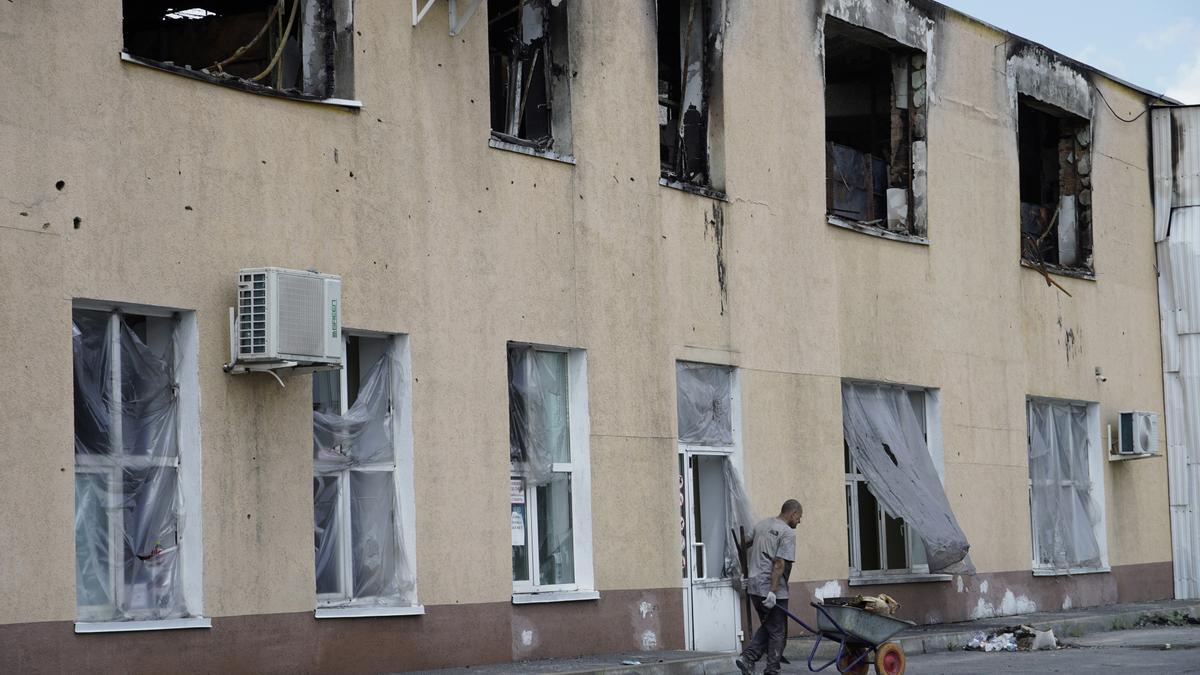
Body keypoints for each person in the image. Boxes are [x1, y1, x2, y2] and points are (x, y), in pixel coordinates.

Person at [735, 499, 802, 675]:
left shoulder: (762, 525)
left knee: (770, 627)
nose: (799, 521)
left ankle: (750, 660)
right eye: (799, 517)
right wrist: (773, 592)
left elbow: (744, 543)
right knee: (777, 631)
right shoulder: (787, 533)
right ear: (793, 513)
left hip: (754, 587)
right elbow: (779, 563)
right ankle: (767, 667)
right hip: (773, 590)